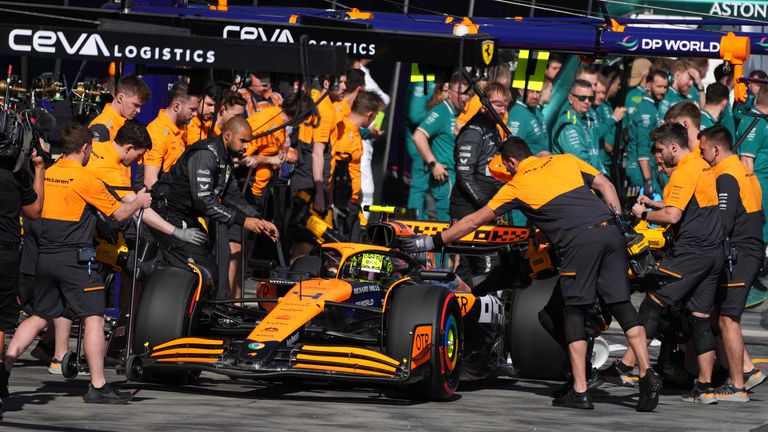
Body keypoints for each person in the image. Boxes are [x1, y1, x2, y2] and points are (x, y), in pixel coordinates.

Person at [402, 138, 662, 411]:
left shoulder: (517, 185)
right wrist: (619, 221)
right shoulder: (565, 160)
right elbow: (607, 186)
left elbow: (473, 221)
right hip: (611, 232)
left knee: (573, 311)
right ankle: (646, 373)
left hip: (579, 241)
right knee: (620, 304)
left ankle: (580, 389)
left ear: (511, 163)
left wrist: (432, 242)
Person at [2, 124, 152, 404]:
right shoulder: (86, 179)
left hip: (44, 256)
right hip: (76, 260)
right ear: (85, 149)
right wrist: (140, 201)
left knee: (39, 316)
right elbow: (119, 214)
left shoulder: (45, 173)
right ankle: (97, 385)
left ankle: (5, 367)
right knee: (93, 316)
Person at [627, 123, 723, 405]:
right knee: (699, 319)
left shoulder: (684, 170)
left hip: (692, 252)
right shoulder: (700, 164)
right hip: (713, 251)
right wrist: (653, 204)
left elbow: (673, 216)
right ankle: (704, 387)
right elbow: (687, 205)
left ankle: (643, 373)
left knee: (652, 303)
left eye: (659, 149)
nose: (658, 155)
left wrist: (643, 214)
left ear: (672, 147)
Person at [149, 117, 278, 294]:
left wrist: (258, 219)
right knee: (201, 270)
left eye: (249, 142)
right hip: (167, 214)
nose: (247, 147)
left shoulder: (224, 157)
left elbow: (232, 195)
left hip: (186, 216)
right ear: (227, 135)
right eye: (243, 141)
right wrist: (243, 221)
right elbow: (204, 202)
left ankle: (201, 316)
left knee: (211, 267)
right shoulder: (206, 154)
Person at [699, 126, 766, 401]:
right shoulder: (744, 170)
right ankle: (747, 371)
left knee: (729, 318)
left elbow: (723, 222)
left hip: (741, 252)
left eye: (703, 150)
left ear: (716, 149)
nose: (701, 155)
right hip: (751, 247)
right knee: (721, 313)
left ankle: (737, 386)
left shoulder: (726, 175)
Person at [450, 82, 510, 291]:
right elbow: (464, 174)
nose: (502, 109)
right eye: (497, 104)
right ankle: (480, 310)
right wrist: (488, 205)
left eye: (505, 105)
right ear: (485, 104)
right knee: (486, 262)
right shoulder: (474, 131)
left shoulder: (492, 128)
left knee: (468, 265)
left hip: (484, 205)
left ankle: (461, 305)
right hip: (468, 207)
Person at [0, 139, 45, 390]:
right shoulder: (17, 174)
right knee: (0, 322)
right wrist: (39, 169)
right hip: (5, 254)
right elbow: (35, 210)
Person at [329, 91, 385, 241]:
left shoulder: (354, 131)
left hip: (352, 202)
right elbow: (333, 169)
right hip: (341, 203)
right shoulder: (344, 133)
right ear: (369, 115)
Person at [412, 71, 469, 221]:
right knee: (447, 222)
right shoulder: (441, 111)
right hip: (446, 177)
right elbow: (418, 136)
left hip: (460, 176)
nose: (464, 97)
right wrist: (433, 163)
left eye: (467, 94)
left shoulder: (462, 113)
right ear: (449, 93)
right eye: (460, 93)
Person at [142, 81, 201, 189]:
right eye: (192, 109)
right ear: (177, 106)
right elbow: (150, 181)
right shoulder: (158, 131)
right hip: (163, 198)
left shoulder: (183, 126)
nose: (195, 114)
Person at [626, 69, 668, 196]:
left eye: (665, 87)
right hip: (641, 172)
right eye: (659, 86)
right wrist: (648, 180)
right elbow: (642, 147)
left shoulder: (654, 105)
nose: (663, 91)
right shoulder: (646, 110)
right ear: (649, 85)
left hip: (648, 169)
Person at [405, 67, 439, 220]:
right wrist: (440, 115)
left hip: (435, 143)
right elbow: (414, 115)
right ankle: (415, 223)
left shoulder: (439, 78)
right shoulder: (423, 80)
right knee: (419, 186)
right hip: (421, 143)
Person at [737, 83, 768, 244]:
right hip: (759, 190)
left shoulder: (762, 121)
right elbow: (746, 162)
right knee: (760, 236)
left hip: (763, 188)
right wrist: (754, 198)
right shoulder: (755, 122)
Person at [551, 79, 604, 173]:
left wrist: (604, 174)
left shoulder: (587, 119)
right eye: (582, 98)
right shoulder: (568, 124)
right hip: (577, 183)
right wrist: (602, 183)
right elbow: (581, 162)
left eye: (590, 98)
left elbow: (596, 155)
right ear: (571, 98)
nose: (587, 102)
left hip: (593, 180)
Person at [89, 74, 151, 144]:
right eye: (135, 105)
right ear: (120, 98)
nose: (138, 111)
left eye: (140, 106)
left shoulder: (128, 123)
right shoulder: (102, 126)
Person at [507, 85, 549, 155]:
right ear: (521, 91)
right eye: (531, 91)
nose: (535, 96)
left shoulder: (535, 110)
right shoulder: (518, 113)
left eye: (538, 92)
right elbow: (514, 150)